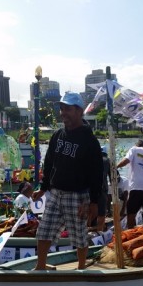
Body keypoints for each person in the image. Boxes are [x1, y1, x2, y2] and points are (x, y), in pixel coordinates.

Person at [32, 91, 105, 270]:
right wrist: (43, 188)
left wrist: (94, 202)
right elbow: (49, 163)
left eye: (68, 109)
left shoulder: (89, 140)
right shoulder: (58, 135)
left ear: (79, 111)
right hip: (55, 193)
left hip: (78, 196)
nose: (63, 112)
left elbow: (97, 173)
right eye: (62, 108)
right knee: (44, 231)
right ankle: (41, 265)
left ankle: (81, 268)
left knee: (79, 235)